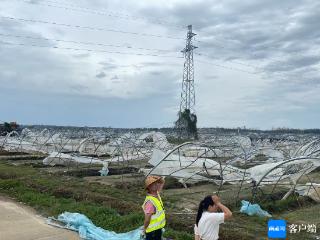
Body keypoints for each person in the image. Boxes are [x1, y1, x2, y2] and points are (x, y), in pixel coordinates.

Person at [142, 175, 166, 240]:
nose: (156, 185)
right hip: (152, 231)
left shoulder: (157, 194)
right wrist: (144, 229)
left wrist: (155, 177)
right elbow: (147, 219)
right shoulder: (150, 202)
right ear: (149, 187)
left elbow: (162, 181)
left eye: (156, 183)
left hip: (158, 228)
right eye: (153, 184)